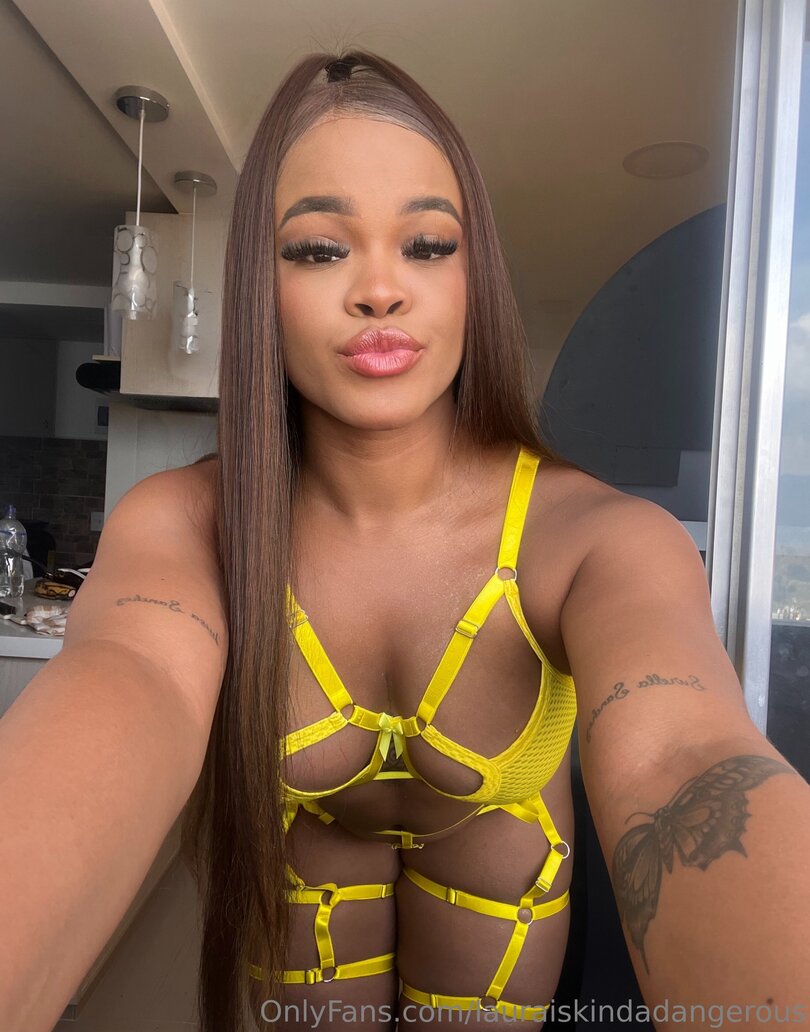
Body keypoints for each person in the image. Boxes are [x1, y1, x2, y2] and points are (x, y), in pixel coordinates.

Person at [1, 51, 808, 1032]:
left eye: (427, 244)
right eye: (317, 249)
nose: (380, 289)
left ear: (475, 278)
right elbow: (131, 676)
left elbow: (682, 754)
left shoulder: (600, 540)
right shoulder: (182, 524)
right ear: (260, 286)